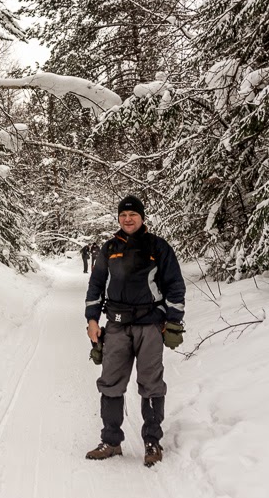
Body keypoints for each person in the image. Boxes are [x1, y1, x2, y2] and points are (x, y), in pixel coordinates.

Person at [84, 195, 186, 467]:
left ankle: (152, 441)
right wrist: (92, 319)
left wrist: (173, 321)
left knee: (151, 383)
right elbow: (95, 286)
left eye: (133, 215)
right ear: (118, 218)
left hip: (150, 324)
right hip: (116, 325)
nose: (127, 219)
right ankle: (111, 441)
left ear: (142, 217)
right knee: (111, 381)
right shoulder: (109, 249)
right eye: (123, 215)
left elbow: (175, 285)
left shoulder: (158, 247)